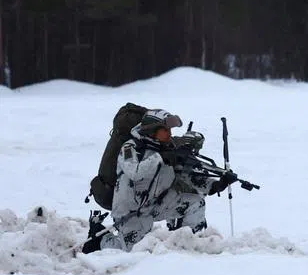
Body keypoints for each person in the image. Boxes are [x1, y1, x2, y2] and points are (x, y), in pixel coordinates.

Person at [82, 108, 237, 253]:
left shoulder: (167, 148)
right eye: (165, 130)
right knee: (127, 250)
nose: (170, 134)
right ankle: (100, 239)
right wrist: (160, 158)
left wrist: (216, 185)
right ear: (152, 130)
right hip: (130, 211)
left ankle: (186, 245)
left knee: (195, 203)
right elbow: (135, 172)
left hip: (155, 204)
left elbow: (187, 178)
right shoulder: (131, 147)